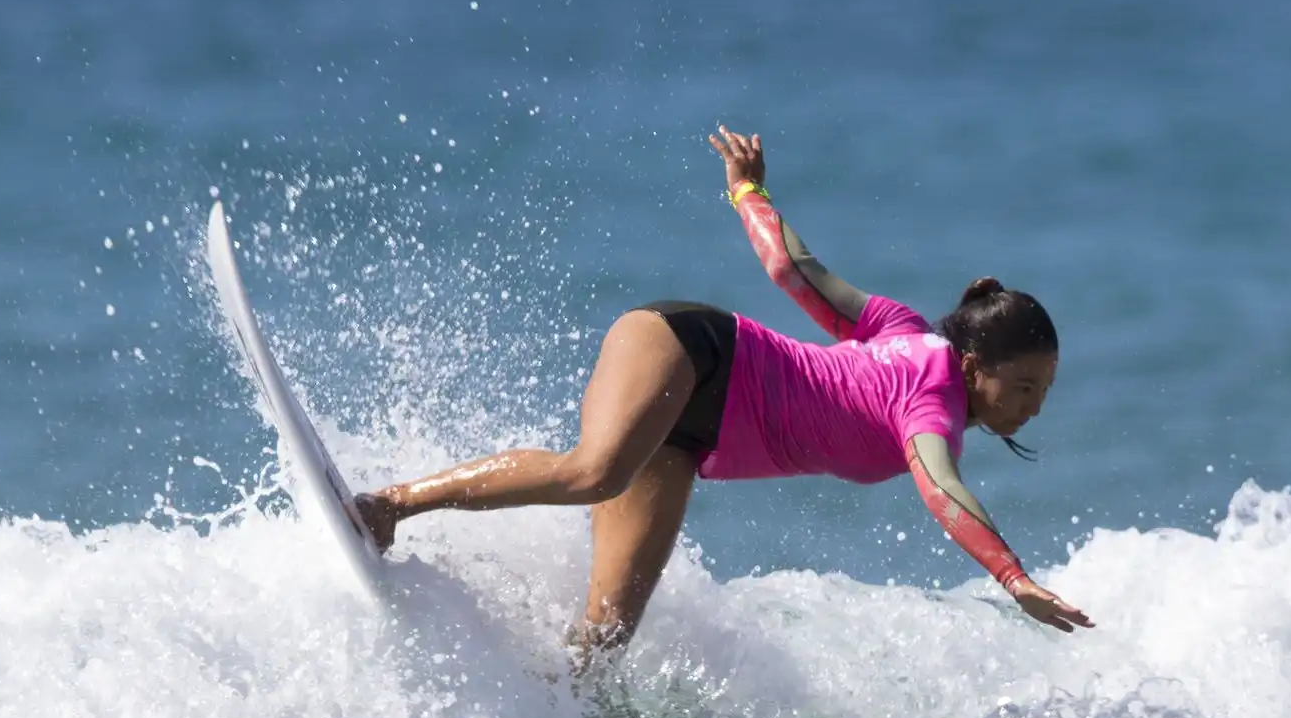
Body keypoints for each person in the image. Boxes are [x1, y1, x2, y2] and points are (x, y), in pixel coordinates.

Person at [355, 127, 1091, 669]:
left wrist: (750, 192)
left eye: (1044, 391)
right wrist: (1012, 576)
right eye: (1023, 385)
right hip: (693, 351)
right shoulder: (931, 402)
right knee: (594, 472)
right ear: (973, 363)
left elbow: (791, 270)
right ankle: (390, 505)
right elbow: (941, 489)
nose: (1032, 405)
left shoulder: (897, 326)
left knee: (603, 641)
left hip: (687, 438)